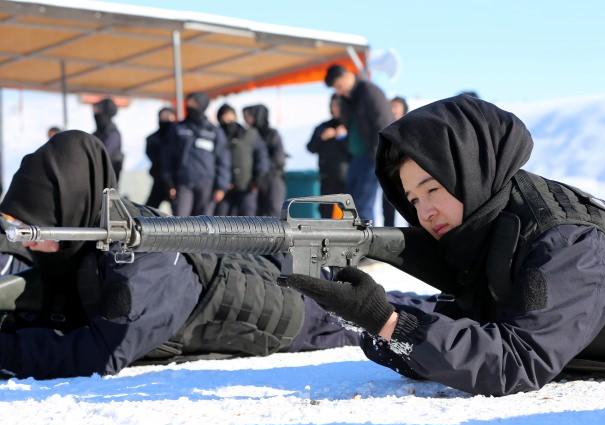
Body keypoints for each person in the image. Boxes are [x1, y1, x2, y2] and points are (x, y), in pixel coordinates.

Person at [285, 95, 605, 397]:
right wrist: (368, 312)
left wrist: (387, 322)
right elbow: (471, 323)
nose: (423, 211)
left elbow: (516, 361)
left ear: (470, 169)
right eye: (412, 198)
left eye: (433, 189)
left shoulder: (567, 245)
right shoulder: (494, 226)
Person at [0, 131, 360, 380]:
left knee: (390, 316)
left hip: (296, 313)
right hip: (264, 276)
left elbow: (102, 352)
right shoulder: (77, 241)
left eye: (32, 228)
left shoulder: (139, 252)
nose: (24, 240)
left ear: (68, 208)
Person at [324, 65, 393, 222]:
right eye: (336, 89)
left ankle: (369, 244)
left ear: (348, 76)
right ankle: (353, 242)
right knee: (350, 205)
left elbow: (383, 124)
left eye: (339, 86)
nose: (339, 91)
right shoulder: (347, 99)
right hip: (356, 158)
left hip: (373, 157)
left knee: (363, 206)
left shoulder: (370, 92)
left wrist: (379, 155)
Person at [163, 92, 231, 216]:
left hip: (207, 184)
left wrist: (221, 187)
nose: (190, 106)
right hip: (183, 182)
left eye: (193, 104)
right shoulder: (178, 129)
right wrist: (169, 183)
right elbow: (168, 157)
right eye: (189, 103)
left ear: (202, 105)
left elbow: (223, 160)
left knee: (204, 224)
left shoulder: (214, 131)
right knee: (180, 222)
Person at [215, 103, 271, 216]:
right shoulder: (216, 135)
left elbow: (262, 157)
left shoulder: (249, 134)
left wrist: (257, 179)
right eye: (224, 117)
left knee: (248, 221)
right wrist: (221, 184)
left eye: (230, 116)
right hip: (223, 189)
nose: (228, 120)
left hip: (247, 186)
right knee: (222, 221)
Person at [306, 95, 349, 218]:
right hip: (326, 177)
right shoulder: (323, 127)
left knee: (346, 213)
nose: (336, 108)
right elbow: (310, 147)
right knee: (325, 211)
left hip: (345, 179)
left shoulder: (350, 126)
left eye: (339, 105)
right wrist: (322, 137)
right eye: (334, 105)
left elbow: (356, 151)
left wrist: (342, 136)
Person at [242, 104, 287, 218]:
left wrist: (264, 170)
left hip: (272, 178)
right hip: (253, 181)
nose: (246, 120)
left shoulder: (272, 134)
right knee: (255, 214)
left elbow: (279, 158)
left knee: (274, 210)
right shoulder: (247, 135)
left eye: (249, 116)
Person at [381, 96, 410, 226]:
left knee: (411, 207)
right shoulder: (384, 128)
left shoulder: (411, 126)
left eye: (396, 106)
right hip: (389, 175)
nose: (392, 109)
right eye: (390, 106)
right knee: (388, 209)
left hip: (408, 176)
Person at [145, 107, 177, 210]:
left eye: (169, 117)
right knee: (149, 210)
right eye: (164, 117)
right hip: (159, 180)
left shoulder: (180, 137)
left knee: (181, 215)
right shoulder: (152, 139)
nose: (167, 120)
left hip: (176, 180)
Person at [92, 97, 124, 182]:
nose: (95, 114)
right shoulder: (96, 134)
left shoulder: (113, 134)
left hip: (108, 179)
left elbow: (105, 152)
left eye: (98, 111)